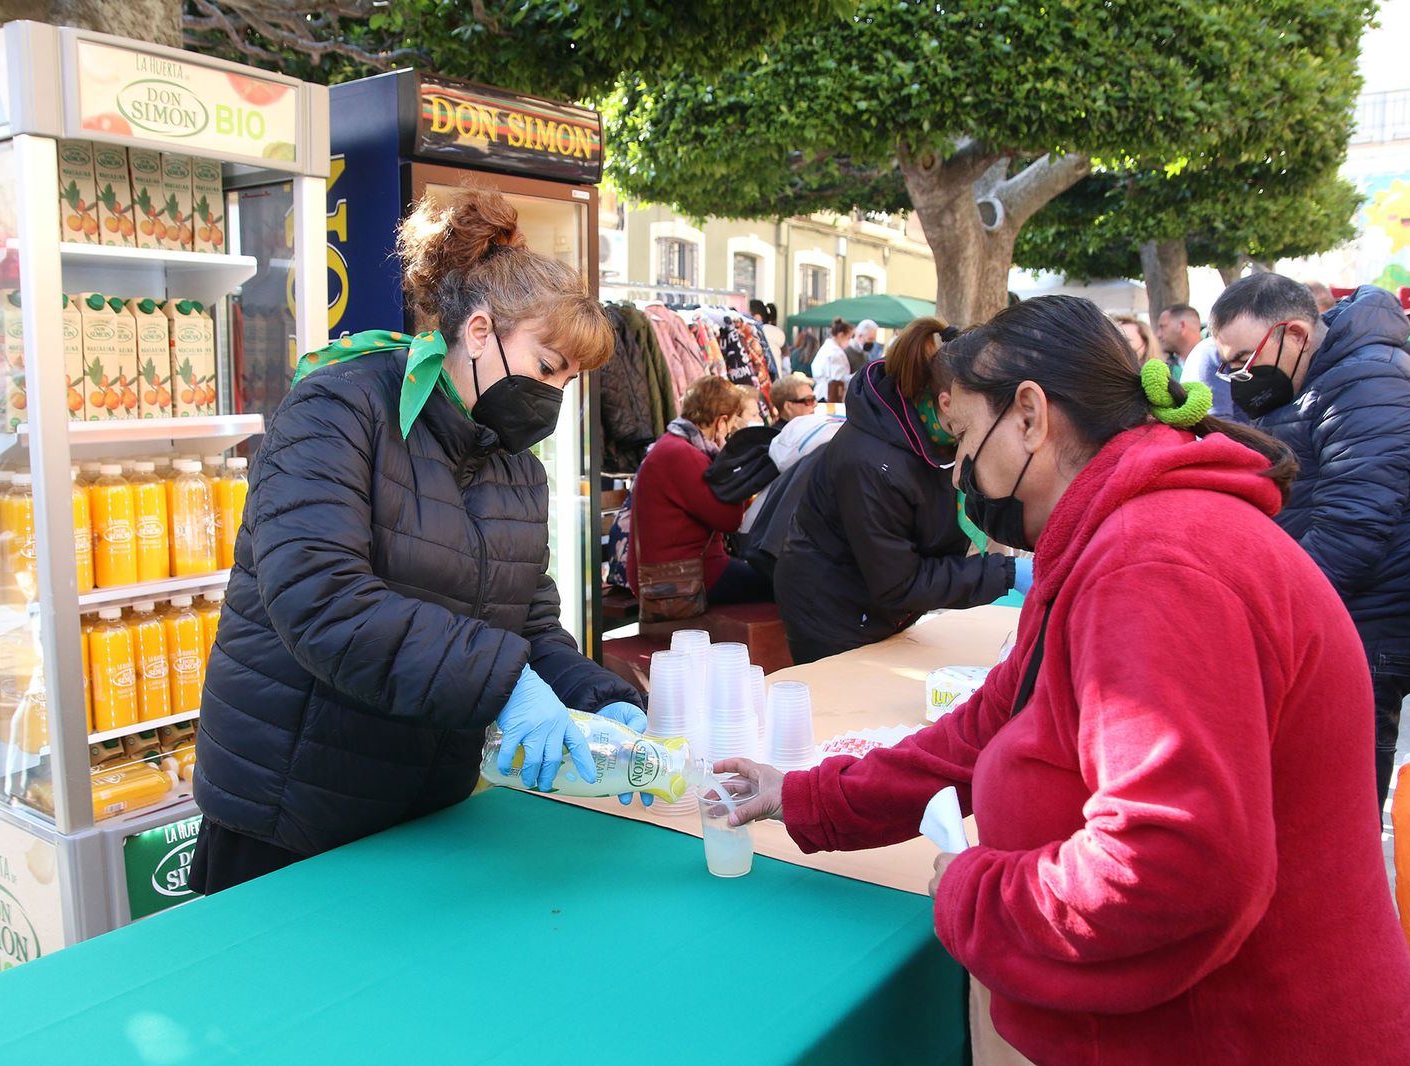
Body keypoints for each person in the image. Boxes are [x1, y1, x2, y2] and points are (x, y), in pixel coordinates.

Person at [718, 295, 1410, 1065]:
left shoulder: (1154, 564)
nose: (958, 471)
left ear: (1029, 415)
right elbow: (987, 729)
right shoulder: (1115, 536)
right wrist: (802, 795)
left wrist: (974, 892)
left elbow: (1172, 870)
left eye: (963, 437)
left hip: (1249, 1034)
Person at [189, 189, 648, 893]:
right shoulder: (339, 408)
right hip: (290, 811)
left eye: (572, 381)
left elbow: (526, 621)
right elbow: (322, 599)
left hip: (423, 810)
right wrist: (506, 685)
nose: (557, 394)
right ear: (478, 331)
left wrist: (599, 699)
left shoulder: (514, 466)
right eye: (550, 366)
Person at [1211, 273, 1410, 809]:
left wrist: (1254, 613)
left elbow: (1351, 533)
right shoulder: (1328, 377)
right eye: (1229, 362)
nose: (1238, 375)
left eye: (1246, 357)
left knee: (1337, 820)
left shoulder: (1371, 386)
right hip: (1331, 621)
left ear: (1294, 334)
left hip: (1363, 630)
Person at [774, 317, 1025, 664]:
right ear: (948, 402)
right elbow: (898, 583)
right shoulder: (872, 463)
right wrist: (1006, 574)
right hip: (834, 610)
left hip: (886, 604)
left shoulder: (936, 438)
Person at [627, 375, 774, 608]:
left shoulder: (674, 444)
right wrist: (732, 466)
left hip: (674, 568)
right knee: (778, 586)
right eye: (733, 423)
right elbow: (729, 520)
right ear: (721, 421)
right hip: (681, 575)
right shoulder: (683, 455)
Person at [1161, 303, 1240, 419]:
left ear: (1181, 326)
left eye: (1163, 327)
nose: (1158, 334)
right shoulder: (1167, 370)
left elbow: (1219, 419)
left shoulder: (1215, 354)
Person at [812, 318, 854, 402]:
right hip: (829, 394)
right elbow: (838, 378)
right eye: (848, 337)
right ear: (841, 335)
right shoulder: (835, 352)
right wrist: (854, 377)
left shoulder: (827, 348)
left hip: (823, 393)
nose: (850, 341)